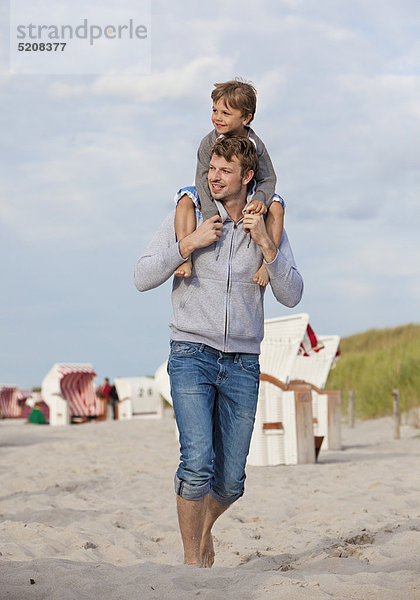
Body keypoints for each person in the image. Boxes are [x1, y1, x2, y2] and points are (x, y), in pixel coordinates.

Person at [134, 136, 303, 568]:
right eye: (211, 168)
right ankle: (193, 564)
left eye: (224, 171)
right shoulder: (189, 213)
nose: (213, 176)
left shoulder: (266, 222)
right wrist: (186, 246)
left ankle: (203, 530)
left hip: (243, 361)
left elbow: (292, 293)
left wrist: (267, 245)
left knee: (230, 482)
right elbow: (141, 276)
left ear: (248, 177)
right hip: (191, 351)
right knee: (196, 464)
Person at [174, 78, 285, 287]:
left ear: (246, 117)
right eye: (215, 111)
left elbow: (269, 178)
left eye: (226, 113)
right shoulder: (209, 142)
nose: (217, 118)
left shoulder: (255, 144)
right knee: (185, 199)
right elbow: (201, 177)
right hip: (210, 194)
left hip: (246, 197)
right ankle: (185, 257)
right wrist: (210, 214)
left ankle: (266, 265)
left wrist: (260, 199)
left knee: (278, 206)